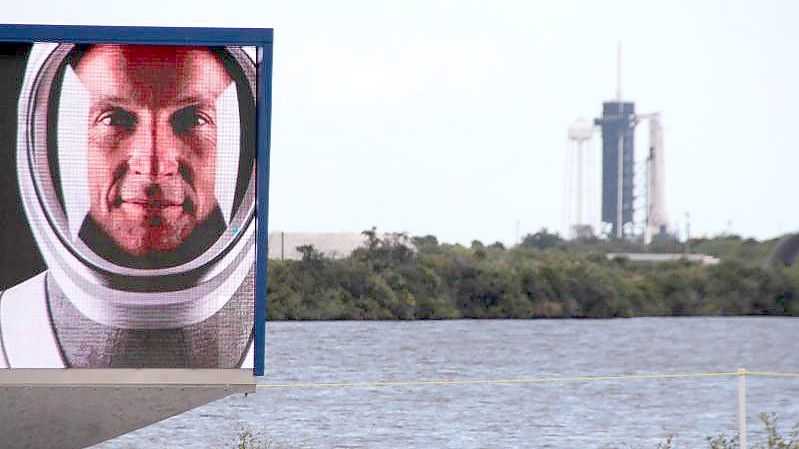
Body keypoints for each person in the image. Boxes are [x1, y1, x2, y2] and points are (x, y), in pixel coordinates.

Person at [0, 44, 256, 369]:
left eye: (192, 119)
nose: (152, 163)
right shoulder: (10, 328)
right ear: (49, 141)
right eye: (114, 119)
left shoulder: (276, 331)